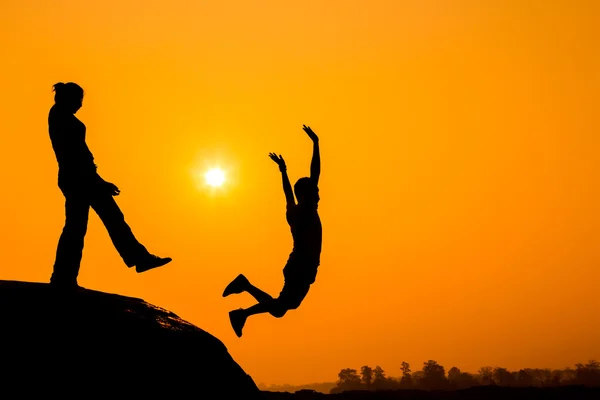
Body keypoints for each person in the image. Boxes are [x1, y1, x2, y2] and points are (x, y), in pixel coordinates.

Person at [48, 82, 171, 289]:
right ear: (70, 99)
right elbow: (75, 156)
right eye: (79, 101)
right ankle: (138, 259)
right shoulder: (62, 119)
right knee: (103, 221)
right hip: (80, 178)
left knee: (78, 227)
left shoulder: (60, 116)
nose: (80, 105)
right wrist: (99, 182)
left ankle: (63, 277)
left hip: (79, 177)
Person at [223, 125, 322, 337]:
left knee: (280, 308)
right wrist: (315, 144)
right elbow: (315, 174)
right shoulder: (306, 209)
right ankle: (243, 303)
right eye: (315, 191)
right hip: (301, 266)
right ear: (307, 194)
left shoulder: (293, 211)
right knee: (282, 307)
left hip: (298, 265)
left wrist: (284, 172)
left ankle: (243, 299)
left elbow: (288, 193)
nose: (319, 194)